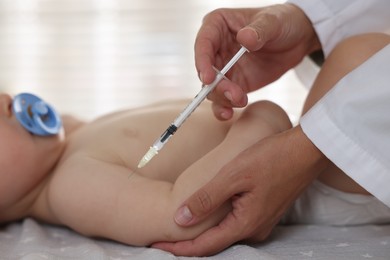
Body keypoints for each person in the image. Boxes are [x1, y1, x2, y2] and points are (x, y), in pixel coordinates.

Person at [1, 32, 389, 253]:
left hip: (307, 153)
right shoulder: (72, 187)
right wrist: (259, 126)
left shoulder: (70, 145)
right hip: (315, 186)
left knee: (361, 53)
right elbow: (180, 214)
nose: (6, 100)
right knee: (361, 56)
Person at [151, 1, 390, 256]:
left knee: (360, 54)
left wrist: (307, 146)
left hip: (352, 163)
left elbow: (172, 218)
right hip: (349, 158)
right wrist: (307, 21)